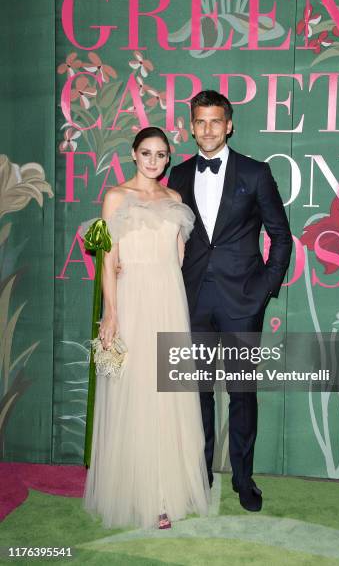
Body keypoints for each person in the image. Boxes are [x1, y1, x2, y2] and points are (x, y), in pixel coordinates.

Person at [168, 90, 292, 512]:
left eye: (215, 121)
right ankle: (198, 474)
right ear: (191, 125)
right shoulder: (179, 175)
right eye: (200, 122)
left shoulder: (256, 173)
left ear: (229, 125)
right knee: (196, 392)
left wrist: (264, 289)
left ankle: (243, 478)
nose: (207, 129)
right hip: (193, 300)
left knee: (241, 393)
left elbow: (280, 235)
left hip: (243, 301)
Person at [82, 127, 211, 530]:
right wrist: (112, 312)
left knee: (167, 396)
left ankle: (163, 494)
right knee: (134, 392)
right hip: (133, 299)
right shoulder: (115, 197)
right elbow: (108, 258)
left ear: (168, 157)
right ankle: (135, 492)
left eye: (160, 154)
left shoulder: (175, 200)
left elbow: (180, 257)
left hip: (169, 302)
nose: (153, 161)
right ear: (133, 155)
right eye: (146, 153)